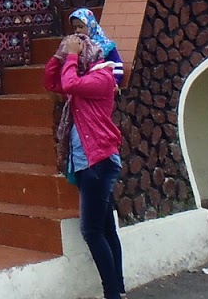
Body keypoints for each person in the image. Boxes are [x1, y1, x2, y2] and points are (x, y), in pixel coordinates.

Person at [46, 27, 126, 299]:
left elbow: (68, 84)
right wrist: (60, 56)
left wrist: (70, 59)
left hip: (99, 162)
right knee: (104, 228)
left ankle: (112, 293)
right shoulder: (82, 78)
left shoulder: (102, 78)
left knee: (91, 231)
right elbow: (51, 82)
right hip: (85, 162)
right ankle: (118, 289)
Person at [68, 6, 125, 85]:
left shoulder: (106, 46)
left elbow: (116, 65)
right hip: (81, 87)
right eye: (74, 28)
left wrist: (114, 83)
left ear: (91, 25)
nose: (77, 30)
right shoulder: (76, 46)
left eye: (81, 27)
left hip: (102, 86)